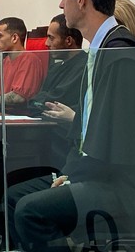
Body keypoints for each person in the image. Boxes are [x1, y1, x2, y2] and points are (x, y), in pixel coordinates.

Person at [7, 0, 135, 251]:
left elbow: (120, 145)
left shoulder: (121, 58)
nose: (61, 4)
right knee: (16, 198)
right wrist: (71, 174)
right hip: (109, 176)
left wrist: (73, 179)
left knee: (30, 211)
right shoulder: (104, 51)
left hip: (132, 186)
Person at [26, 13, 86, 168]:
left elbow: (55, 100)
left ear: (68, 41)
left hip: (64, 140)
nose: (46, 43)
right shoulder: (57, 66)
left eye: (51, 38)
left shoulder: (83, 67)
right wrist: (39, 102)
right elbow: (34, 102)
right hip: (49, 133)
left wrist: (39, 102)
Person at [0, 17, 46, 109]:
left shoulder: (29, 60)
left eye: (0, 35)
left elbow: (18, 97)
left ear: (14, 38)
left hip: (16, 116)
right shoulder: (5, 61)